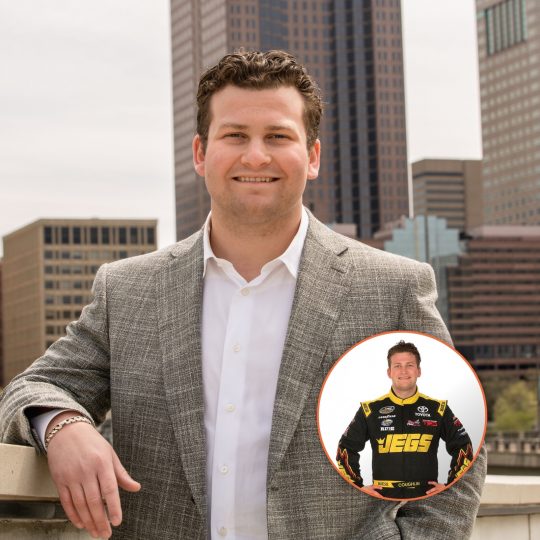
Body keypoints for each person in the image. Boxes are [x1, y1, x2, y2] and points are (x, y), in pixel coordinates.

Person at [0, 50, 485, 539]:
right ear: (200, 153)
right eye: (235, 136)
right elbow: (30, 390)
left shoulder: (391, 288)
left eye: (278, 136)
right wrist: (64, 426)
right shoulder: (127, 291)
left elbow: (460, 452)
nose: (256, 156)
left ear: (312, 156)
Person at [336, 340, 474, 500]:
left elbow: (464, 447)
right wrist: (358, 486)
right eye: (397, 366)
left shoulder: (438, 408)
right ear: (389, 372)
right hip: (381, 499)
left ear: (419, 371)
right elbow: (345, 449)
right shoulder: (369, 410)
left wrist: (450, 485)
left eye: (409, 365)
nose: (403, 371)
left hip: (427, 499)